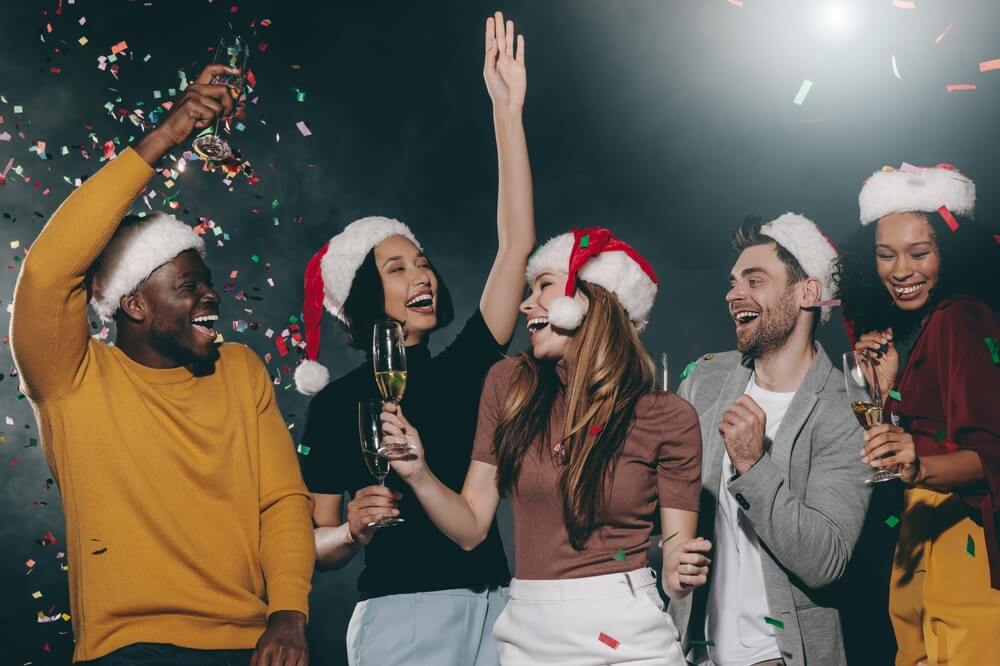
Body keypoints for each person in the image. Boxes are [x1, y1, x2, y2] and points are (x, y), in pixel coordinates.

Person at [10, 64, 313, 665]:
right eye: (187, 285)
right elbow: (48, 274)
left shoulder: (242, 370)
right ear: (135, 304)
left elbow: (281, 502)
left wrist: (289, 612)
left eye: (206, 283)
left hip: (252, 644)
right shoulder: (72, 378)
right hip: (127, 650)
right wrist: (166, 135)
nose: (211, 297)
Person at [295, 12, 535, 666]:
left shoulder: (467, 366)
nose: (421, 275)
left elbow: (516, 246)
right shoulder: (333, 406)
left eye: (422, 261)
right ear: (366, 297)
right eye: (397, 268)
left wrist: (506, 111)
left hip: (497, 610)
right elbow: (313, 549)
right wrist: (351, 528)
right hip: (401, 621)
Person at [381, 226, 709, 665]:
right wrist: (419, 474)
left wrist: (678, 570)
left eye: (544, 287)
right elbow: (472, 526)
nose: (525, 304)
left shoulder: (668, 417)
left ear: (593, 300)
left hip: (627, 634)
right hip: (529, 633)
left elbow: (674, 560)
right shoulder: (508, 385)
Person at [669, 213, 872, 666]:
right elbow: (660, 499)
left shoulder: (846, 408)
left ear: (807, 293)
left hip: (780, 658)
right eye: (733, 282)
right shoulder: (703, 379)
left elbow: (825, 561)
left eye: (755, 280)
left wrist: (754, 464)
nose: (733, 294)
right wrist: (669, 559)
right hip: (690, 653)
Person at [836, 163, 1000, 666]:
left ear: (949, 253)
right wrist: (883, 390)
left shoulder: (961, 318)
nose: (900, 270)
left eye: (919, 252)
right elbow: (916, 438)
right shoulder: (919, 328)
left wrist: (918, 463)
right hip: (918, 527)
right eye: (885, 255)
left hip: (962, 534)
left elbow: (991, 454)